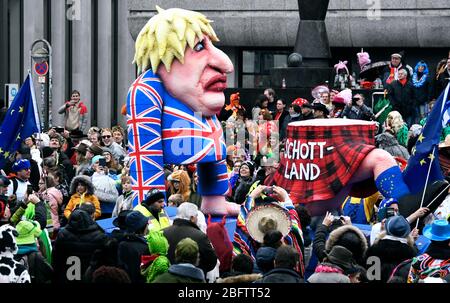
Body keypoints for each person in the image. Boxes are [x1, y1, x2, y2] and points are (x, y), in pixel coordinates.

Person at [128, 6, 240, 216]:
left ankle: (215, 199)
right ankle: (149, 205)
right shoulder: (146, 89)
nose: (225, 64)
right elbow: (144, 153)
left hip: (201, 149)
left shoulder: (197, 98)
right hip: (172, 151)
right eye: (199, 48)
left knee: (216, 149)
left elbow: (216, 150)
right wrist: (148, 205)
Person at [52, 208, 107, 283]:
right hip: (91, 275)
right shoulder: (100, 235)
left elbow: (56, 257)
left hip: (69, 274)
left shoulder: (62, 234)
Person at [163, 203, 218, 275]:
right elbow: (211, 261)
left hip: (168, 276)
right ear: (192, 218)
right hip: (193, 277)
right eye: (196, 216)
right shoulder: (200, 236)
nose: (197, 219)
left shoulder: (163, 233)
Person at [365, 215, 418, 283]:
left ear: (387, 229)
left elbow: (371, 275)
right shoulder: (410, 252)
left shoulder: (374, 249)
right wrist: (413, 243)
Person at [117, 211, 150, 283]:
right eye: (146, 223)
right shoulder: (144, 248)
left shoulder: (122, 243)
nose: (148, 224)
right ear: (142, 227)